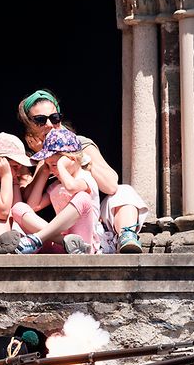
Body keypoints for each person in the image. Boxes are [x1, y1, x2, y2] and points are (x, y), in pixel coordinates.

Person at [18, 89, 148, 253]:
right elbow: (29, 202)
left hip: (88, 223)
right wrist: (46, 163)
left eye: (55, 118)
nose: (49, 124)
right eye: (40, 120)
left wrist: (80, 158)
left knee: (124, 191)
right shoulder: (35, 156)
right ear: (29, 125)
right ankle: (54, 239)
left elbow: (111, 186)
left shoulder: (78, 145)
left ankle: (126, 236)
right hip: (54, 228)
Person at [12, 128, 106, 254]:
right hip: (60, 243)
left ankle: (37, 239)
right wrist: (45, 171)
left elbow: (71, 187)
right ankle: (63, 240)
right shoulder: (56, 185)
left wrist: (61, 165)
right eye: (48, 165)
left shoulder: (85, 178)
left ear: (71, 159)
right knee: (18, 207)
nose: (52, 170)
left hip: (83, 243)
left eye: (54, 165)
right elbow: (33, 206)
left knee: (83, 198)